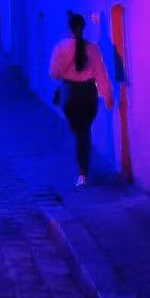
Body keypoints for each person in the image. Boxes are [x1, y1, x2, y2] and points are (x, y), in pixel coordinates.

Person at [49, 11, 113, 187]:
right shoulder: (92, 48)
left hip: (70, 94)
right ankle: (83, 172)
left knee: (78, 134)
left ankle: (82, 172)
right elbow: (101, 74)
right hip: (88, 94)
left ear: (69, 29)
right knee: (85, 132)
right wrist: (107, 95)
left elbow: (54, 73)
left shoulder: (61, 48)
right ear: (83, 28)